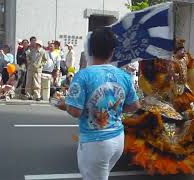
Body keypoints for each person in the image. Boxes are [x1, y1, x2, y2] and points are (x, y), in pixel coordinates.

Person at [56, 28, 140, 180]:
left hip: (95, 142)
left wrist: (62, 104)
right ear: (113, 51)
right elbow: (134, 106)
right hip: (118, 140)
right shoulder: (124, 76)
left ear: (90, 49)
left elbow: (75, 111)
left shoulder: (83, 75)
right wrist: (114, 110)